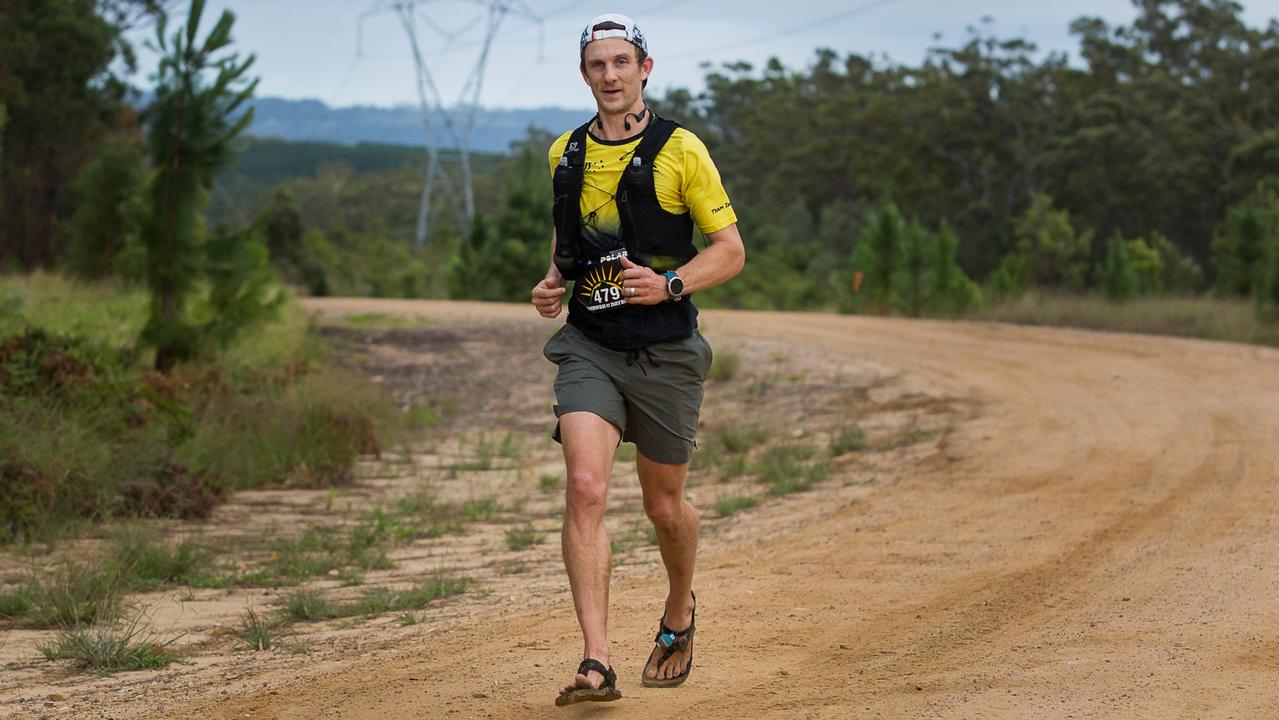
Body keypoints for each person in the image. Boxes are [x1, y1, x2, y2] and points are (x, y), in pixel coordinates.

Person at [530, 13, 745, 707]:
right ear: (584, 74)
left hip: (667, 353)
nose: (610, 76)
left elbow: (729, 250)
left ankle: (679, 608)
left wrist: (671, 281)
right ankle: (596, 659)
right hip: (589, 346)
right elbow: (567, 242)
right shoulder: (564, 152)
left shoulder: (682, 150)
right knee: (585, 487)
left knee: (662, 505)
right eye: (597, 65)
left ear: (644, 69)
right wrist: (551, 283)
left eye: (622, 62)